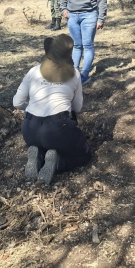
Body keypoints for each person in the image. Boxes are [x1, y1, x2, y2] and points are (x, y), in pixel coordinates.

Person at [13, 34, 92, 185]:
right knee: (84, 155)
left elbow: (17, 102)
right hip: (58, 129)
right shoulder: (74, 74)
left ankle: (39, 154)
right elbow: (77, 107)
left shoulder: (33, 71)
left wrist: (29, 109)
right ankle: (57, 163)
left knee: (46, 141)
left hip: (29, 129)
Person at [60, 0, 107, 86]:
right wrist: (63, 9)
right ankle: (74, 73)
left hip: (89, 15)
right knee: (76, 45)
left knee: (87, 45)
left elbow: (102, 0)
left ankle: (85, 74)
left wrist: (101, 18)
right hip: (72, 16)